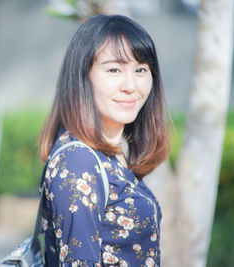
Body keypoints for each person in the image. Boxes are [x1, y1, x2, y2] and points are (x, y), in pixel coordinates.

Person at [38, 14, 171, 266]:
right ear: (83, 76)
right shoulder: (78, 161)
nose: (131, 85)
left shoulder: (110, 154)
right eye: (114, 69)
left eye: (141, 69)